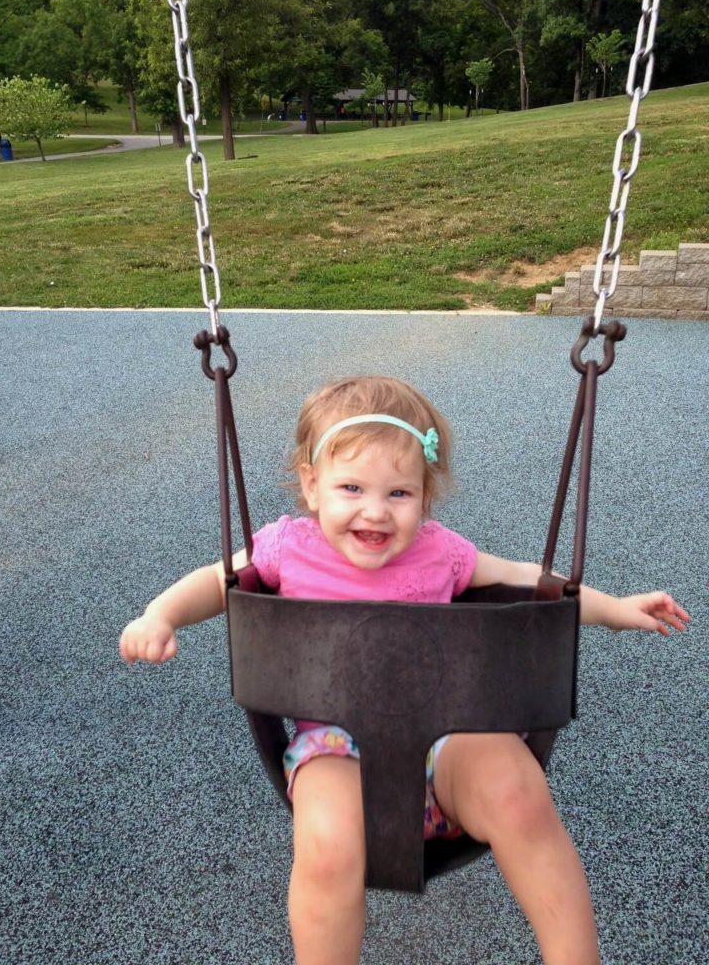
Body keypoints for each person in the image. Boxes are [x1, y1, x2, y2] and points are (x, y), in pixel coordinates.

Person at [119, 375, 688, 965]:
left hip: (449, 739)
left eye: (399, 494)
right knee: (328, 845)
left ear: (425, 495)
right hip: (335, 747)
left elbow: (532, 581)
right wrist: (160, 615)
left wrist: (616, 611)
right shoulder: (286, 547)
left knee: (521, 795)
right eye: (351, 487)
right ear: (312, 486)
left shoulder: (441, 553)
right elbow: (218, 581)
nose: (375, 511)